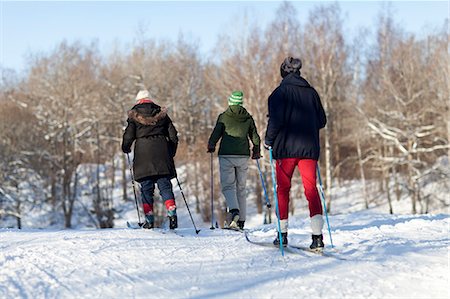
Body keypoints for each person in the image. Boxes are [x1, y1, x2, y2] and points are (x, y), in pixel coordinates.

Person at [264, 57, 327, 250]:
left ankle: (282, 235)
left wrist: (268, 141)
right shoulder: (312, 93)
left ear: (283, 72)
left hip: (285, 150)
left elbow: (275, 122)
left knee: (283, 190)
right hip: (309, 149)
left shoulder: (278, 93)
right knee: (311, 190)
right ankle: (317, 238)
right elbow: (322, 121)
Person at [122, 90, 179, 229]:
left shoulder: (134, 116)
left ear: (138, 101)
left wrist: (126, 147)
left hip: (143, 155)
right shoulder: (161, 114)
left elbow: (128, 136)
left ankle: (149, 220)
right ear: (150, 100)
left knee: (146, 188)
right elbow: (173, 135)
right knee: (165, 186)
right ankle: (172, 214)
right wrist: (170, 151)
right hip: (162, 153)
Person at [207, 91, 261, 230]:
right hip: (243, 155)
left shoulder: (224, 117)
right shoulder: (248, 118)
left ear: (230, 103)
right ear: (240, 103)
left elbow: (216, 134)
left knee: (228, 187)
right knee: (241, 188)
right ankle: (241, 220)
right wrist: (256, 150)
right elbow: (255, 137)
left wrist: (211, 145)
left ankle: (234, 212)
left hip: (226, 156)